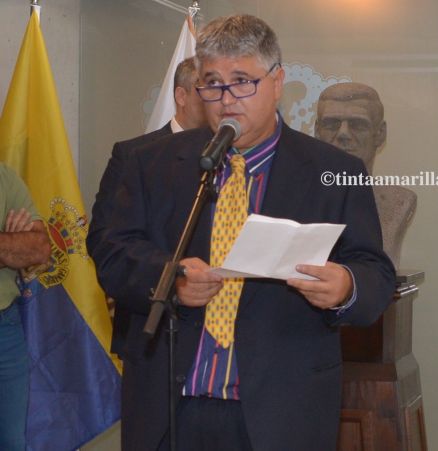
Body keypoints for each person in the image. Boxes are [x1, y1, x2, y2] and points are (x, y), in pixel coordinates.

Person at [89, 14, 395, 451]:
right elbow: (110, 249)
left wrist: (346, 286)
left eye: (242, 82)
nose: (226, 99)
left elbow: (374, 273)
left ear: (277, 82)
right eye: (212, 84)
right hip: (169, 409)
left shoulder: (334, 171)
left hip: (280, 413)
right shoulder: (149, 161)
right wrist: (170, 278)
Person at [87, 56, 208, 357]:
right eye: (205, 88)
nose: (215, 98)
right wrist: (171, 275)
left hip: (223, 332)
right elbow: (104, 240)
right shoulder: (135, 155)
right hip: (152, 330)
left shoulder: (236, 155)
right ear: (181, 96)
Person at [315, 82, 416, 264]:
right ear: (317, 131)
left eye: (357, 125)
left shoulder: (399, 201)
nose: (343, 134)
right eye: (331, 124)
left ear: (380, 133)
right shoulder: (294, 197)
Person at [0, 163, 51, 451]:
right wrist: (10, 244)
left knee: (12, 442)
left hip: (5, 329)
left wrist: (18, 245)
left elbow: (39, 249)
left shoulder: (3, 177)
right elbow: (21, 248)